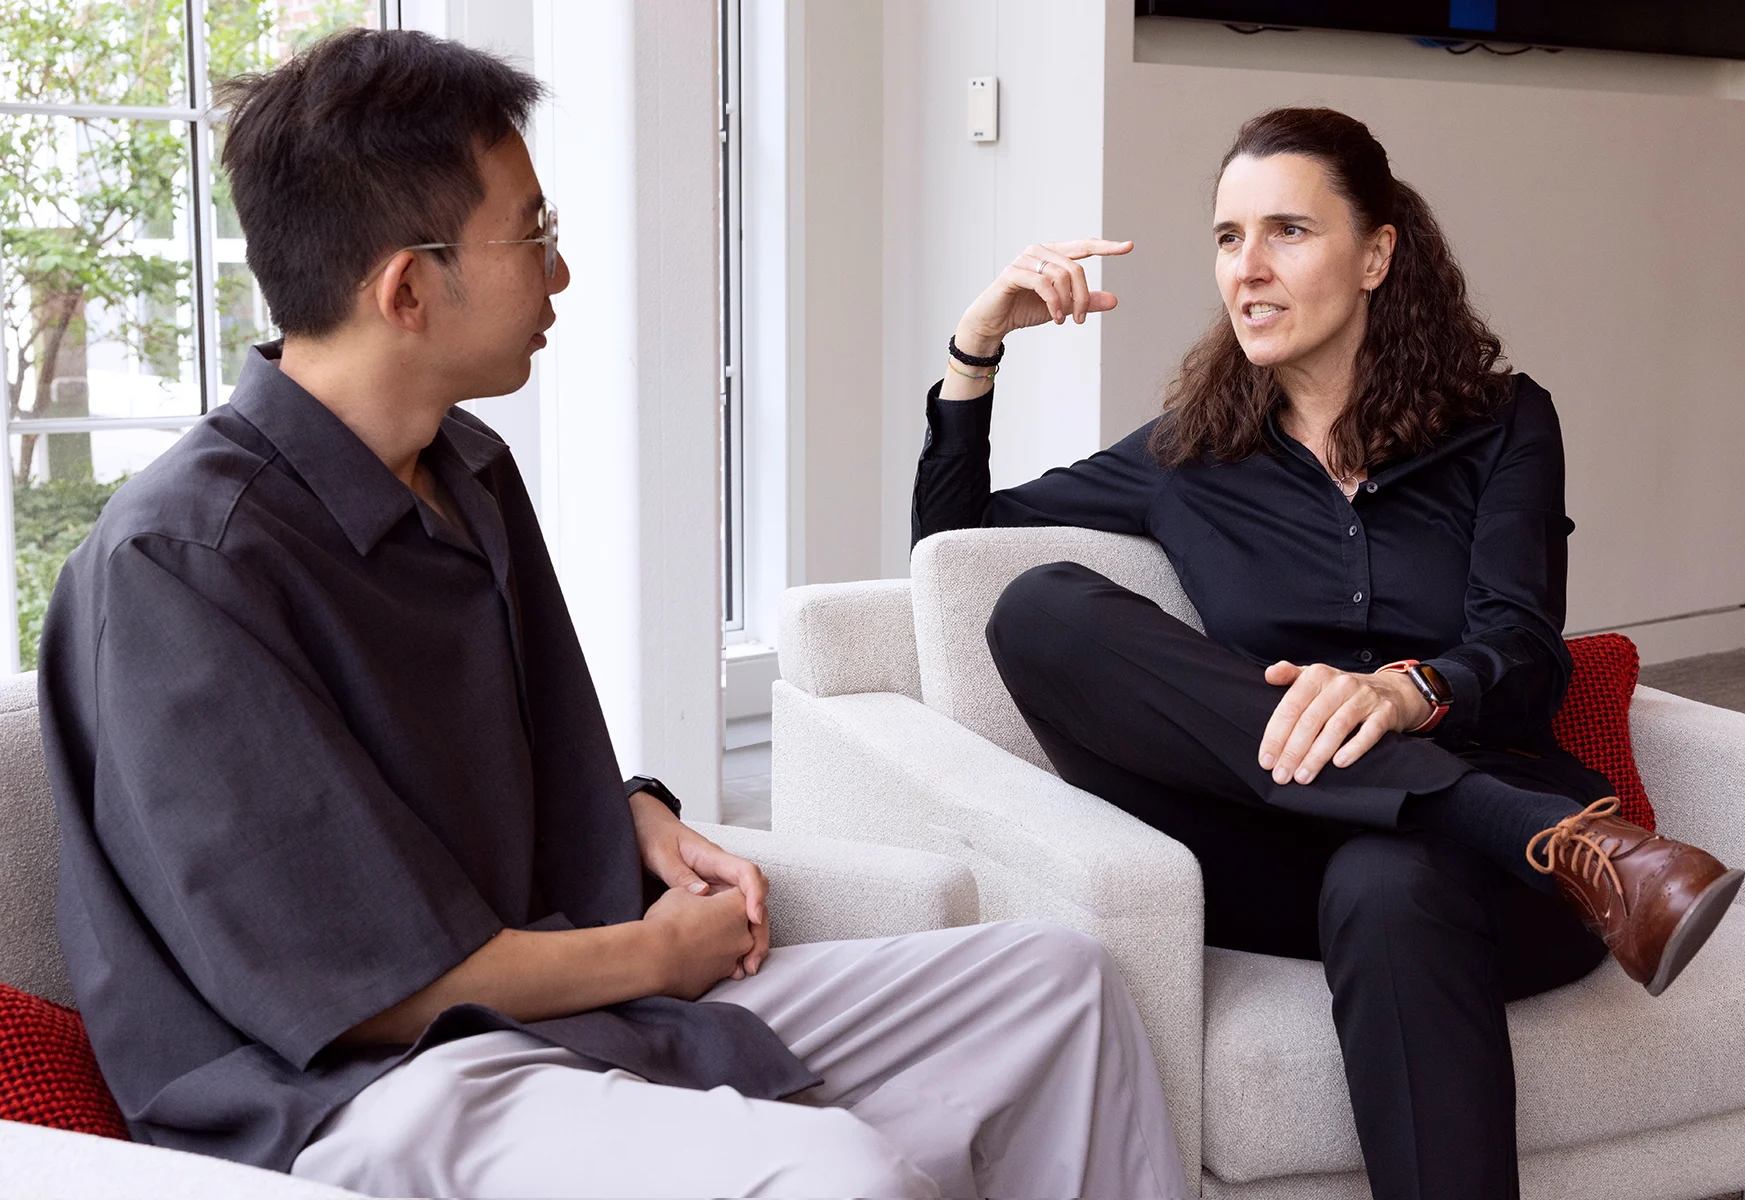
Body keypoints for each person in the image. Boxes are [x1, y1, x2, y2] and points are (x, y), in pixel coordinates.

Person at [37, 29, 1189, 1200]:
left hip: (570, 1009)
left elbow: (478, 771)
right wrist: (654, 951)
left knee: (1059, 989)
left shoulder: (466, 471)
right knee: (838, 1175)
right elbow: (362, 988)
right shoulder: (180, 564)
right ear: (407, 288)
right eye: (534, 235)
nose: (561, 274)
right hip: (365, 1094)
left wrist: (629, 809)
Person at [913, 106, 1745, 1200]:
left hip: (1487, 887)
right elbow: (947, 554)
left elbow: (1525, 650)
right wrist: (978, 348)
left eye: (1287, 232)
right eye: (1226, 238)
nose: (1246, 269)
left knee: (1390, 878)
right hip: (1284, 847)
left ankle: (1508, 827)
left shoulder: (1501, 426)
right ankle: (1563, 840)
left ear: (1377, 253)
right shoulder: (1186, 456)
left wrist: (1410, 693)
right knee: (1037, 607)